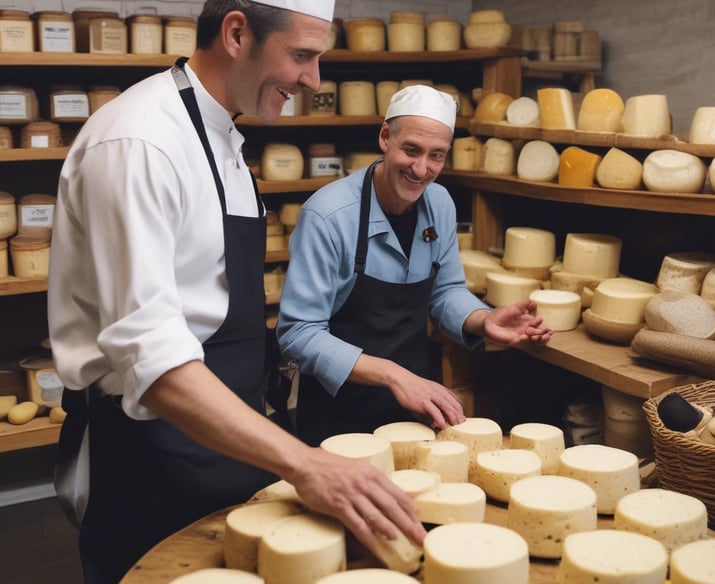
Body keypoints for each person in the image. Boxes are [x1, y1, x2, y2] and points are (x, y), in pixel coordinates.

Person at [47, 2, 425, 582]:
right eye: (301, 55)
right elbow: (155, 360)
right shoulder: (139, 143)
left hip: (234, 440)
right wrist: (304, 462)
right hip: (152, 455)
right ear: (236, 33)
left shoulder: (224, 137)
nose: (313, 80)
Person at [277, 84, 554, 446]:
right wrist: (393, 375)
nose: (422, 169)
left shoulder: (439, 204)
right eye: (411, 150)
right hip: (339, 416)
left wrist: (483, 320)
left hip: (417, 405)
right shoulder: (328, 216)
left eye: (436, 156)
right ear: (385, 137)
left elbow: (447, 291)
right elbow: (298, 334)